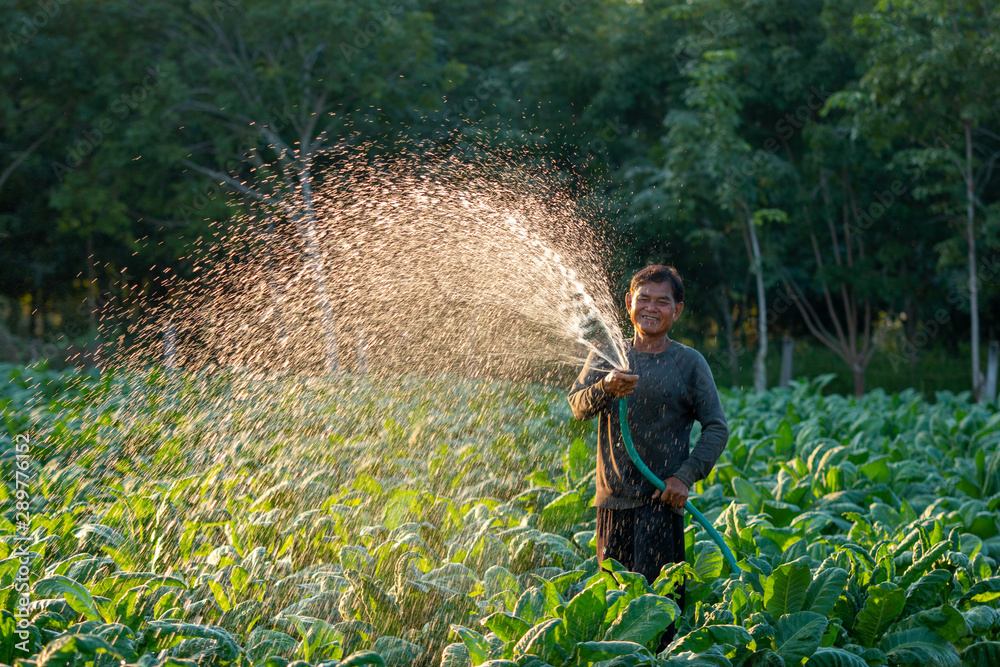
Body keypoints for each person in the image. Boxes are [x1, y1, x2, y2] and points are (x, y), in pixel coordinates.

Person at [567, 265, 729, 639]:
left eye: (662, 301)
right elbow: (577, 407)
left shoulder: (689, 363)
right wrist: (606, 386)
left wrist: (684, 476)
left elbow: (716, 427)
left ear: (677, 310)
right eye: (644, 299)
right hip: (613, 503)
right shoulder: (608, 355)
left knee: (660, 614)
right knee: (617, 613)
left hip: (661, 504)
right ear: (628, 304)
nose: (651, 308)